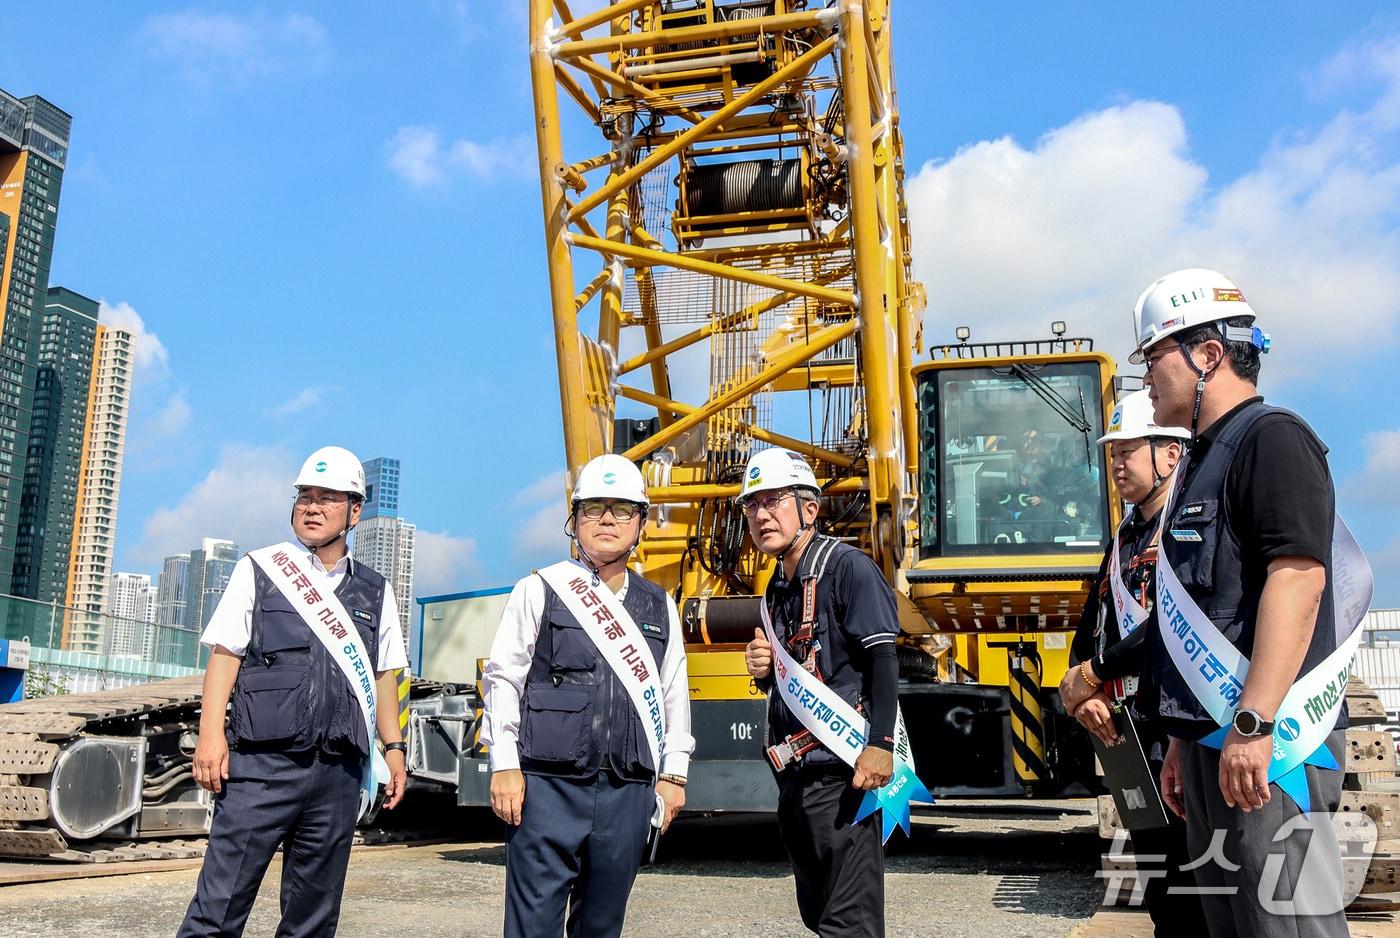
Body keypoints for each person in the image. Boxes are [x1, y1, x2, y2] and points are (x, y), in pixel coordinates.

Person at [1131, 268, 1351, 937]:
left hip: (1270, 745)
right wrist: (1180, 742)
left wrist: (1253, 724)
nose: (1146, 378)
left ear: (1208, 354)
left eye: (1153, 358)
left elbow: (1297, 577)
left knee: (1289, 921)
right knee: (1234, 923)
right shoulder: (1202, 460)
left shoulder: (1272, 440)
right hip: (1214, 742)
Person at [178, 446, 409, 937]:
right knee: (217, 908)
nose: (312, 506)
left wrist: (393, 749)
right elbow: (225, 657)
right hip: (261, 766)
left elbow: (385, 674)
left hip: (338, 773)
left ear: (355, 510)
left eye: (328, 498)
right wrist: (210, 736)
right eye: (305, 496)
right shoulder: (260, 569)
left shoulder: (375, 590)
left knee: (313, 919)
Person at [481, 453, 693, 938]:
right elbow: (504, 679)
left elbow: (673, 692)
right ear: (573, 520)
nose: (606, 520)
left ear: (641, 522)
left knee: (601, 926)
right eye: (593, 508)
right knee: (532, 926)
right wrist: (504, 766)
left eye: (621, 510)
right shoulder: (538, 589)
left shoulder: (659, 604)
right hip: (545, 787)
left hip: (627, 791)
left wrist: (674, 774)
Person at [1057, 389, 1205, 936]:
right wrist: (1081, 688)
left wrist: (1096, 670)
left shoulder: (1187, 527)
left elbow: (1172, 622)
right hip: (1137, 736)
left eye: (1129, 449)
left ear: (1170, 454)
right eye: (1112, 451)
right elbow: (1094, 623)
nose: (1116, 462)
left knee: (1205, 885)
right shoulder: (1124, 538)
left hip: (1183, 729)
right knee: (1164, 891)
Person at [742, 448, 900, 938]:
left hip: (845, 774)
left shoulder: (849, 567)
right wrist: (765, 670)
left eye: (774, 501)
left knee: (846, 924)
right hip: (796, 781)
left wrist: (880, 745)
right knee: (818, 912)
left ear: (810, 509)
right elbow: (807, 673)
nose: (762, 515)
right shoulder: (778, 586)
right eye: (752, 506)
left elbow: (882, 659)